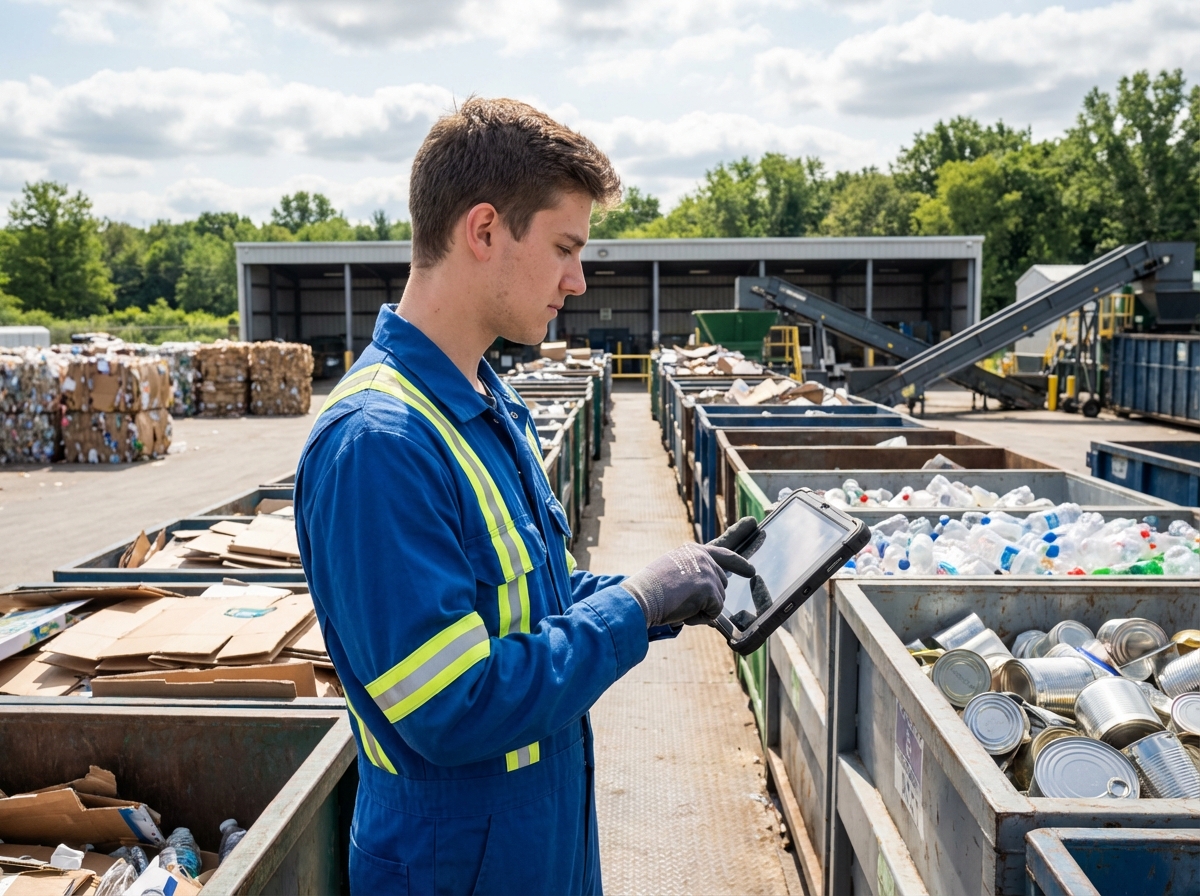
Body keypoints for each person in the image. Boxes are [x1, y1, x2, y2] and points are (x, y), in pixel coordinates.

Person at [294, 96, 757, 896]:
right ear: (483, 231)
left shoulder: (482, 398)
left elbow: (526, 604)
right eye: (564, 248)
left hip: (534, 842)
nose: (577, 281)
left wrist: (663, 587)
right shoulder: (380, 443)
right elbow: (454, 703)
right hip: (458, 862)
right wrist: (632, 610)